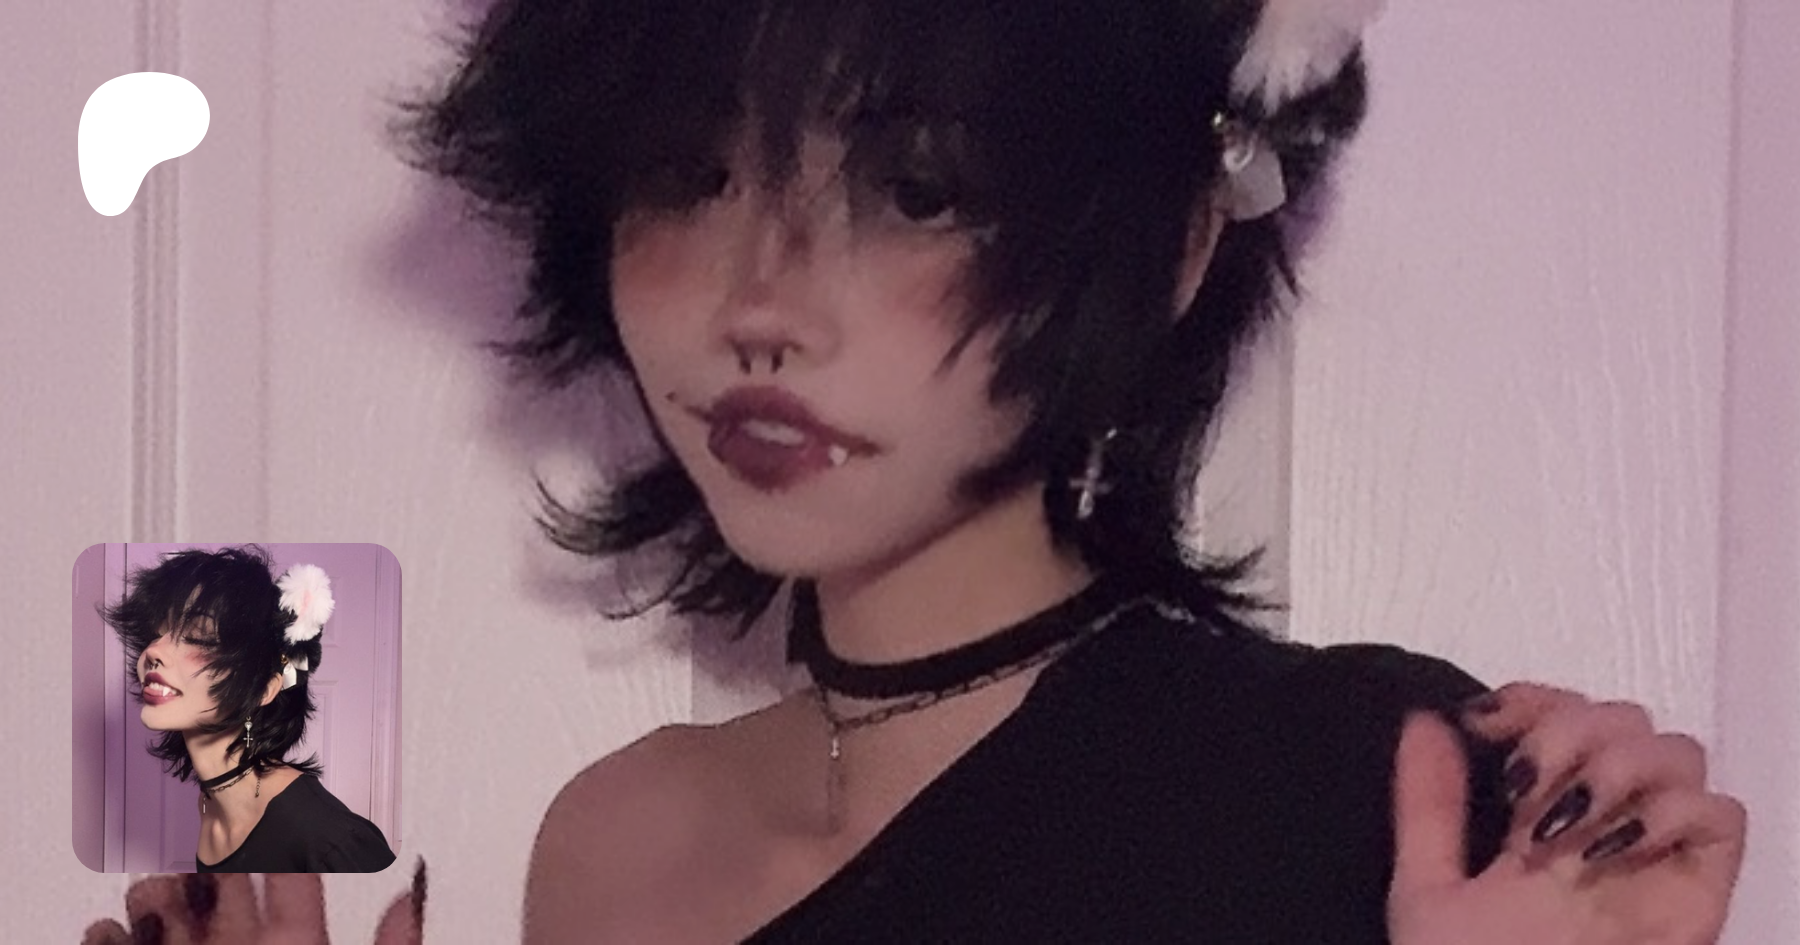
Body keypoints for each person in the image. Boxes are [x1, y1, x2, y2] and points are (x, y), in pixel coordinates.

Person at [83, 0, 1746, 942]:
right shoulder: (613, 845)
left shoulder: (1378, 791)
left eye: (917, 190)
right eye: (691, 175)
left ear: (1172, 244)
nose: (758, 302)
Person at [101, 545, 397, 874]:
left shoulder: (326, 838)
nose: (154, 651)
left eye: (197, 637)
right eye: (158, 633)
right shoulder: (211, 802)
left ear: (263, 689)